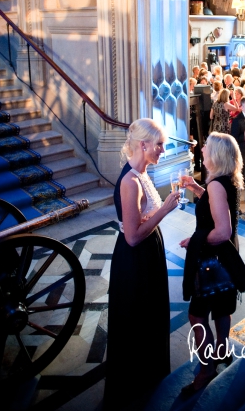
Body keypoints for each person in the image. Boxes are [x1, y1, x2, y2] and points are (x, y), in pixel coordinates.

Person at [103, 119, 180, 409]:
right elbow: (133, 236)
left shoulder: (143, 172)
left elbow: (144, 219)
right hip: (134, 263)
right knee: (136, 323)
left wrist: (158, 212)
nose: (162, 149)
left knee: (151, 317)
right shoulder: (129, 181)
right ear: (143, 144)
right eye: (159, 144)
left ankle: (151, 379)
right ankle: (134, 389)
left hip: (149, 255)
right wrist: (165, 209)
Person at [179, 134, 245, 393]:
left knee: (196, 316)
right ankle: (221, 350)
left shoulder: (216, 186)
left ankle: (206, 370)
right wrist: (196, 188)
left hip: (212, 262)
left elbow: (221, 231)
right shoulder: (225, 181)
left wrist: (195, 240)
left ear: (217, 156)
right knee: (222, 309)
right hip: (227, 259)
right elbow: (216, 206)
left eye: (206, 147)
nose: (202, 148)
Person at [230, 96, 245, 189]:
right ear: (242, 107)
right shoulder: (237, 120)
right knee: (242, 172)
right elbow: (234, 138)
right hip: (243, 151)